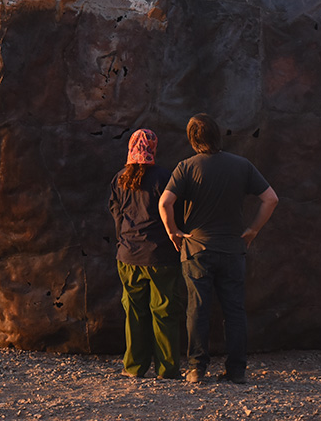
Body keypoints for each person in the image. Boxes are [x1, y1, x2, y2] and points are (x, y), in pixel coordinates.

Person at [159, 114, 278, 385]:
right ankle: (236, 371)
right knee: (234, 310)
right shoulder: (242, 165)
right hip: (233, 250)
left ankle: (196, 369)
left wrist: (173, 232)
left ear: (192, 139)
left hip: (196, 249)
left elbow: (165, 203)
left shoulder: (186, 167)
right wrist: (253, 230)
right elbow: (271, 199)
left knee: (197, 309)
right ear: (218, 135)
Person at [108, 128, 184, 380]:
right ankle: (168, 368)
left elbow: (116, 215)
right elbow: (177, 212)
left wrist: (124, 240)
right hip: (161, 256)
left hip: (128, 256)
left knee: (134, 312)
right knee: (164, 311)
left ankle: (134, 367)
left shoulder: (119, 178)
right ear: (153, 148)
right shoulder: (165, 177)